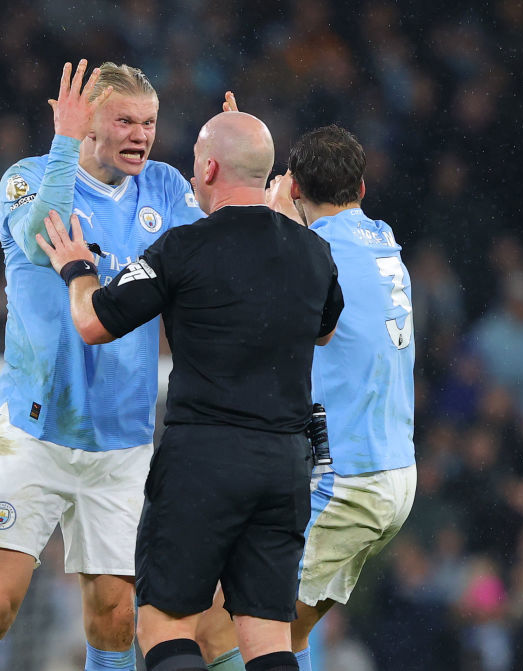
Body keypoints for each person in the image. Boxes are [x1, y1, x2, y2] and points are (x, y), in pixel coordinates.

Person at [36, 110, 344, 671]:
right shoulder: (314, 253)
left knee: (164, 623)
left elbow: (93, 322)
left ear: (207, 168)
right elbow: (324, 329)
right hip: (283, 466)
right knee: (268, 635)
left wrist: (77, 269)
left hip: (204, 459)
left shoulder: (183, 248)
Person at [0, 60, 204, 671]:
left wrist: (237, 170)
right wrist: (62, 142)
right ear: (87, 124)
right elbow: (39, 239)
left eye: (149, 122)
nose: (140, 134)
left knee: (114, 617)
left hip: (123, 436)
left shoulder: (163, 188)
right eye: (124, 121)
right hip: (33, 430)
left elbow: (211, 253)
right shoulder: (28, 177)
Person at [195, 124, 417, 671]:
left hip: (345, 480)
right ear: (362, 190)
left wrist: (265, 210)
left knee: (223, 627)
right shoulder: (383, 236)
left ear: (292, 188)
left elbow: (238, 269)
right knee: (289, 635)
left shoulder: (307, 254)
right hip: (394, 474)